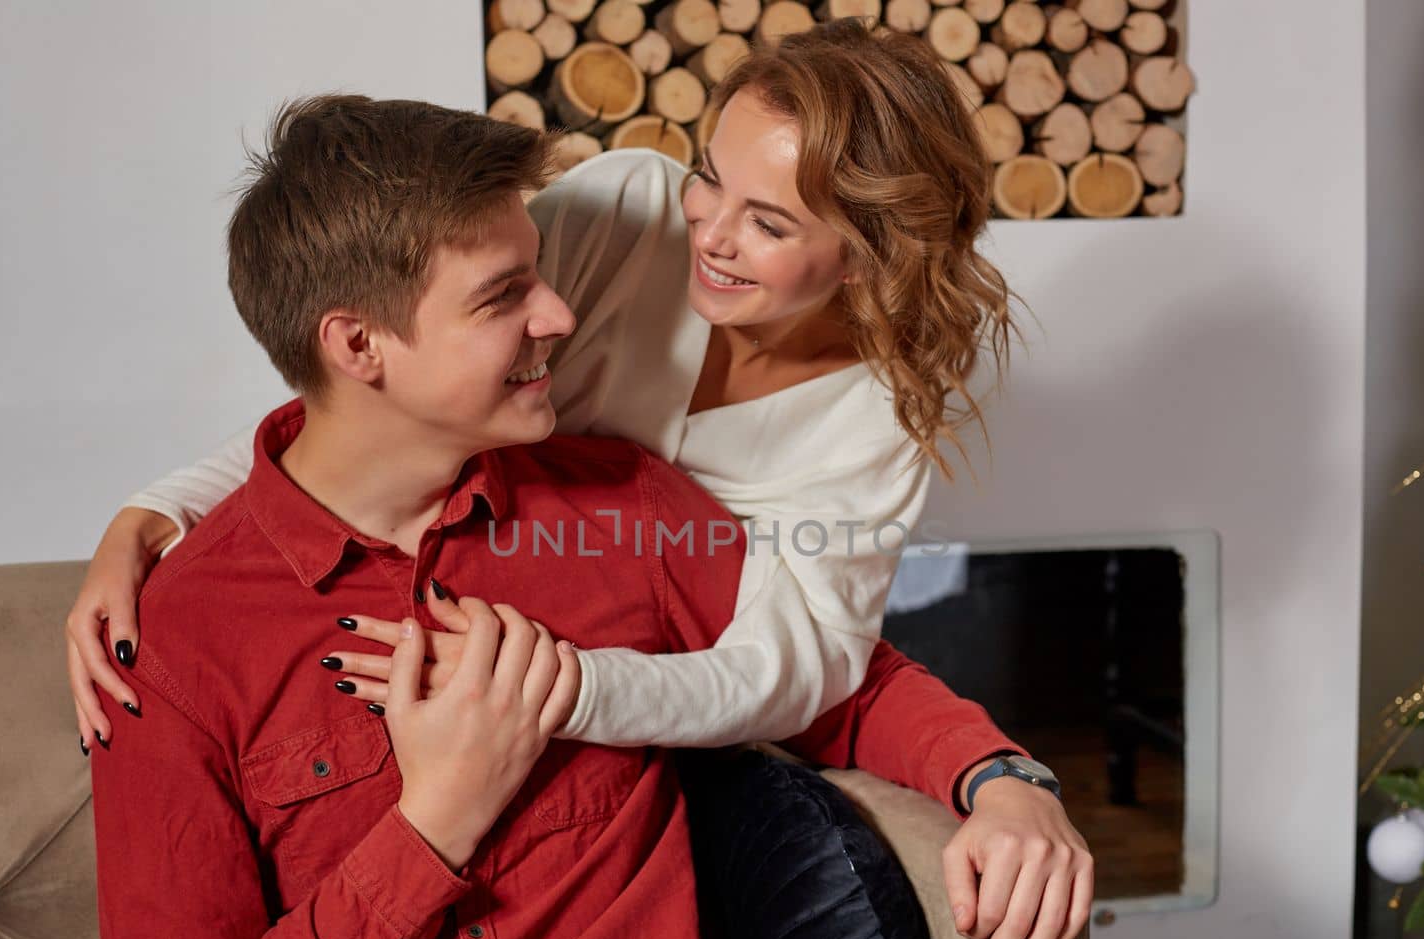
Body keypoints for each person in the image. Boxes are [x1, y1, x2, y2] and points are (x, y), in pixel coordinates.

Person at [89, 94, 1087, 939]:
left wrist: (1004, 782)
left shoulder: (619, 506)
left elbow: (829, 671)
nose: (564, 314)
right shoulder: (173, 634)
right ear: (357, 344)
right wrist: (436, 821)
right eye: (503, 295)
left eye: (539, 273)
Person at [67, 19, 1018, 755]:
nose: (712, 232)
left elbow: (805, 664)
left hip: (631, 711)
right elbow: (401, 368)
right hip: (454, 638)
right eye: (709, 177)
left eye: (767, 222)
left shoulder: (881, 407)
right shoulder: (632, 211)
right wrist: (163, 507)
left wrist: (565, 689)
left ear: (864, 258)